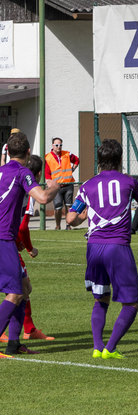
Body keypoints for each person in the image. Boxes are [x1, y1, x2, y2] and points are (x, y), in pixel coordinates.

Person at [66, 139, 138, 360]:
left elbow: (71, 218)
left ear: (100, 160)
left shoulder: (87, 185)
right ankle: (110, 348)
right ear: (120, 159)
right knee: (132, 301)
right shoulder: (129, 182)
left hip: (93, 247)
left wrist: (83, 217)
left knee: (101, 298)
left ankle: (97, 346)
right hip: (117, 247)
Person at [0, 131, 60, 358]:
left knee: (25, 289)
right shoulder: (22, 172)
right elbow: (43, 198)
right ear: (27, 152)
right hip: (3, 237)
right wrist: (54, 186)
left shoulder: (2, 170)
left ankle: (14, 344)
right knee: (14, 293)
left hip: (5, 238)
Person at [45, 137, 80, 230]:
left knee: (69, 205)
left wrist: (73, 169)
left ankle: (68, 225)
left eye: (60, 145)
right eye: (56, 145)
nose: (58, 147)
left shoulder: (67, 154)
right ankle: (58, 225)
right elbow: (47, 173)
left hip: (68, 184)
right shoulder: (47, 157)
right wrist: (49, 182)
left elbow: (77, 160)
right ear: (52, 146)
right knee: (58, 206)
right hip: (56, 187)